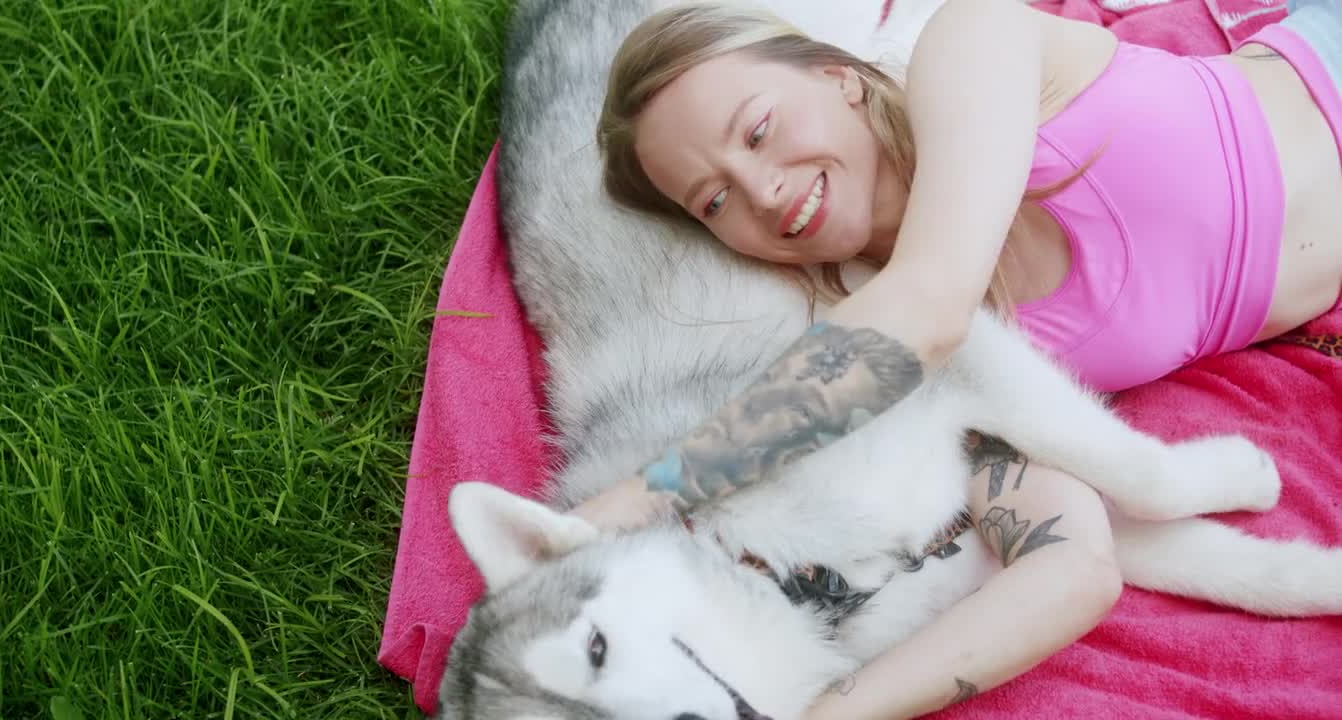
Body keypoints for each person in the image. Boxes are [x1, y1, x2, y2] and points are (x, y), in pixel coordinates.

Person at [574, 0, 1342, 716]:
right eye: (714, 201)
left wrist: (641, 497)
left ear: (837, 75)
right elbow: (1076, 552)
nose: (763, 191)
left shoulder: (967, 43)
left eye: (758, 130)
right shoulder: (875, 349)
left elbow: (931, 302)